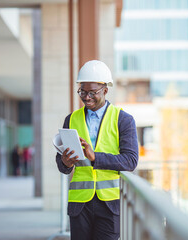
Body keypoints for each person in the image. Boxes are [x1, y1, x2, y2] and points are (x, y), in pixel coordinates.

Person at [55, 60, 139, 240]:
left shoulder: (123, 119)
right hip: (79, 205)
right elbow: (62, 165)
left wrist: (96, 158)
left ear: (105, 90)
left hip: (109, 204)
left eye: (92, 92)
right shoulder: (71, 119)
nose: (86, 97)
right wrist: (65, 162)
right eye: (82, 92)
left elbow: (131, 161)